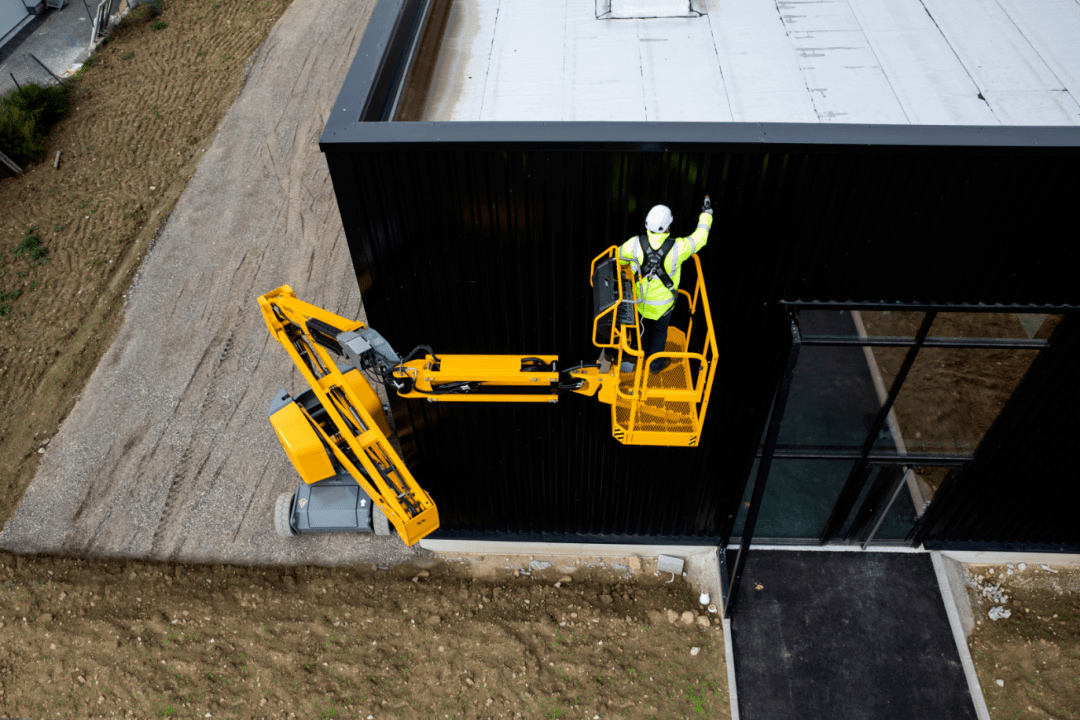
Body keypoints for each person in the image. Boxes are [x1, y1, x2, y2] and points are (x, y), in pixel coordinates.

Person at [617, 195, 713, 374]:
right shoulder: (679, 247)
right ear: (668, 226)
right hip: (664, 307)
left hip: (639, 303)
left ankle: (642, 353)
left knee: (642, 329)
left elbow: (618, 258)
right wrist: (706, 214)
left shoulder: (634, 244)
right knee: (660, 334)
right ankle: (655, 365)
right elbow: (701, 237)